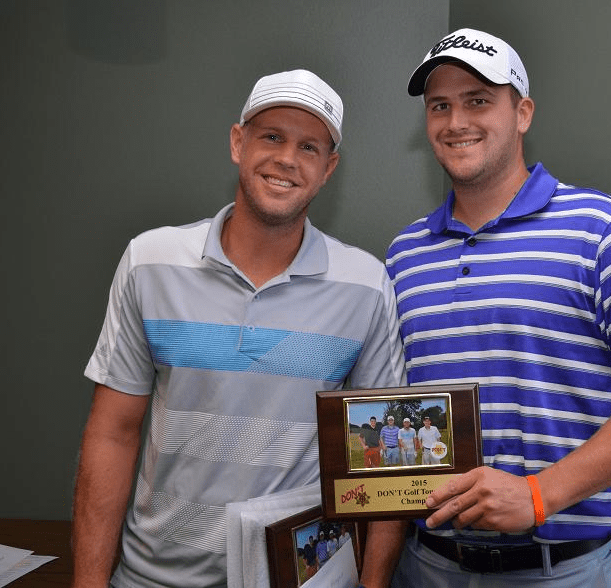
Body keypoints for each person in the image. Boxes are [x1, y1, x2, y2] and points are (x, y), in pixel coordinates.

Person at [379, 28, 611, 586]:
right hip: (429, 564)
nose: (456, 121)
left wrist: (537, 495)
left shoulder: (602, 228)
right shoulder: (404, 255)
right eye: (440, 106)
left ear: (522, 112)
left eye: (478, 100)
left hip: (566, 570)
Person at [71, 69, 406, 588]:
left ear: (328, 168)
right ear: (237, 142)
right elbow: (112, 433)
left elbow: (384, 469)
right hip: (153, 579)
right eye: (272, 136)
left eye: (310, 147)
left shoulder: (366, 285)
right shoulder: (149, 261)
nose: (287, 159)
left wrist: (372, 585)